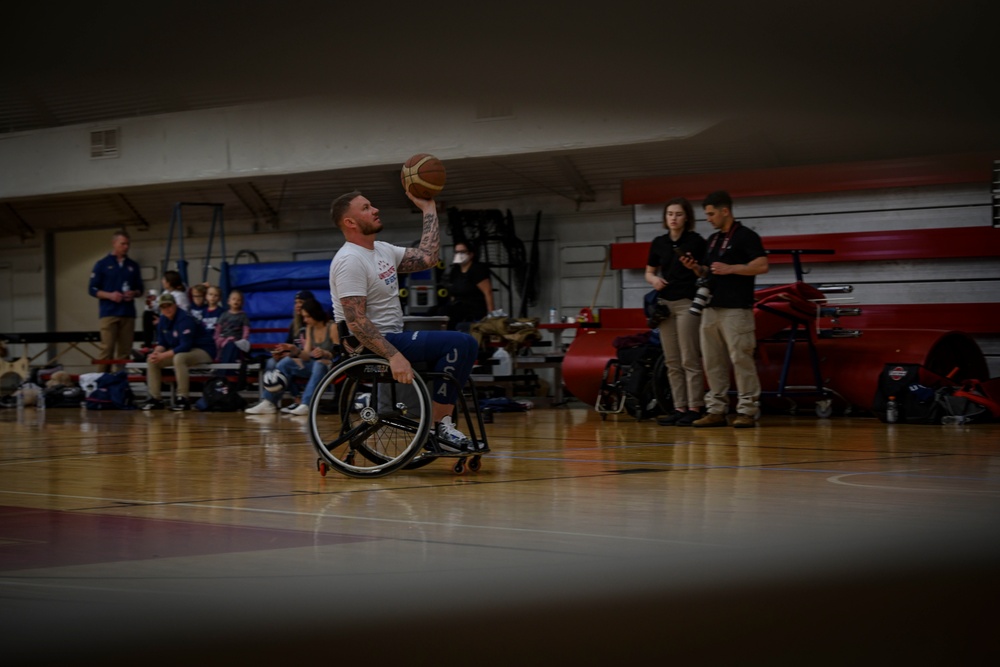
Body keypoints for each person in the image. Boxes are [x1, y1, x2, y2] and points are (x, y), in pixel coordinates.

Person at [328, 189, 482, 451]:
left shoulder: (383, 250)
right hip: (366, 345)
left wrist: (428, 208)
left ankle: (439, 424)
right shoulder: (349, 260)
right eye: (365, 208)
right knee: (461, 343)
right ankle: (439, 427)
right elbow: (356, 322)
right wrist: (393, 356)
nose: (375, 209)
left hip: (391, 336)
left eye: (371, 205)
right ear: (350, 222)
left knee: (462, 346)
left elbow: (428, 258)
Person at [679, 190, 768, 428]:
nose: (708, 218)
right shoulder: (713, 240)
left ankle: (747, 410)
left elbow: (762, 265)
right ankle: (716, 409)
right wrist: (696, 268)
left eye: (711, 213)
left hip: (736, 309)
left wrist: (732, 268)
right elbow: (709, 271)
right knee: (712, 361)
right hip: (711, 307)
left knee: (741, 359)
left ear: (725, 211)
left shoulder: (746, 236)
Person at [644, 197, 708, 426]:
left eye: (678, 214)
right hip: (665, 304)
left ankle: (695, 406)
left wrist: (694, 268)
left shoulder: (696, 241)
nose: (673, 218)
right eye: (670, 214)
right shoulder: (659, 242)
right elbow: (649, 271)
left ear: (687, 217)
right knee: (672, 360)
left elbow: (704, 273)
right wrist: (654, 280)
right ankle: (679, 407)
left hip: (687, 302)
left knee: (689, 357)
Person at [245, 298, 339, 416]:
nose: (304, 320)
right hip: (315, 365)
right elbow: (306, 356)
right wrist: (294, 350)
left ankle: (306, 404)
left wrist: (325, 354)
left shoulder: (332, 327)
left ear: (316, 314)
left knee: (319, 364)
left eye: (307, 316)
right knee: (286, 362)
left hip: (331, 366)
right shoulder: (310, 328)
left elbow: (340, 353)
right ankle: (269, 402)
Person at [140, 292, 217, 411]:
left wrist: (163, 355)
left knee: (179, 358)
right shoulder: (162, 321)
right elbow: (162, 343)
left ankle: (183, 398)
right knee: (152, 360)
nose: (167, 309)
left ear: (175, 305)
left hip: (204, 350)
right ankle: (155, 399)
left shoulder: (185, 319)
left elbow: (185, 346)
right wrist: (156, 353)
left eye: (169, 305)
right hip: (184, 350)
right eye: (163, 307)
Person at [88, 230, 144, 371]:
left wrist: (134, 293)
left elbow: (140, 289)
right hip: (109, 312)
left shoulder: (133, 265)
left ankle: (121, 382)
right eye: (122, 244)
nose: (126, 247)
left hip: (128, 313)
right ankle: (101, 381)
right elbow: (92, 289)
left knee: (125, 350)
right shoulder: (102, 264)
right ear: (114, 244)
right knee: (107, 348)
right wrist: (110, 295)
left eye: (127, 244)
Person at [444, 240, 495, 330]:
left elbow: (488, 292)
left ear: (471, 254)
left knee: (448, 313)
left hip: (474, 308)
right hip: (457, 305)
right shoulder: (455, 271)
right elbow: (452, 292)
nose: (459, 254)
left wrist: (492, 315)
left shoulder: (477, 270)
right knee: (435, 310)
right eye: (457, 252)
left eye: (462, 252)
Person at [214, 289, 251, 364]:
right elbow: (218, 327)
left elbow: (246, 329)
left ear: (242, 303)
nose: (236, 301)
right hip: (223, 339)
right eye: (234, 299)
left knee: (231, 346)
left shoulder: (243, 316)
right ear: (228, 301)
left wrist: (244, 339)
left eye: (239, 300)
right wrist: (216, 338)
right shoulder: (224, 315)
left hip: (236, 340)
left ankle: (225, 371)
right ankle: (225, 370)